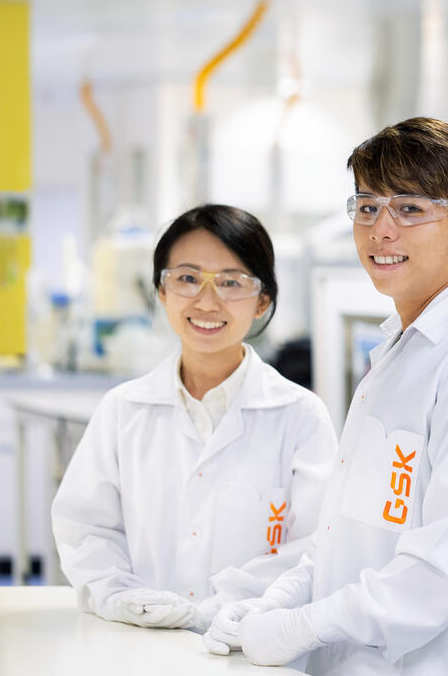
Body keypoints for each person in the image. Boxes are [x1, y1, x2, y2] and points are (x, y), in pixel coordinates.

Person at [204, 118, 448, 674]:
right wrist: (276, 603)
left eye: (410, 209)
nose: (380, 230)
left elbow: (441, 574)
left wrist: (301, 628)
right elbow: (345, 536)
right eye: (368, 207)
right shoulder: (400, 354)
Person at [52, 204, 337, 631]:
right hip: (140, 642)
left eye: (231, 282)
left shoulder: (300, 416)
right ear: (161, 291)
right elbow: (85, 528)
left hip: (249, 643)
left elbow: (314, 547)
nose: (207, 301)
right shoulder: (123, 410)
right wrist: (124, 598)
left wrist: (216, 612)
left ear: (262, 301)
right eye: (187, 278)